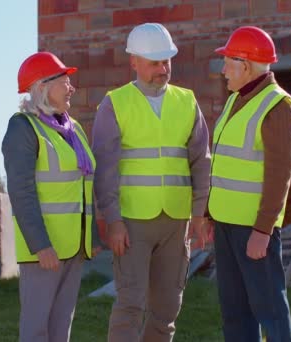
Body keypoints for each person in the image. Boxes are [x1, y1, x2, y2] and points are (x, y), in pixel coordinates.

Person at [92, 22, 211, 342]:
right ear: (134, 62)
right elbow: (105, 170)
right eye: (155, 62)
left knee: (168, 308)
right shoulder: (114, 104)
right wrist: (113, 221)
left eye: (167, 61)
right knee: (130, 303)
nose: (163, 68)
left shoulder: (186, 101)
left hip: (176, 221)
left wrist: (199, 214)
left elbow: (202, 161)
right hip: (132, 224)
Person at [208, 26, 291, 342]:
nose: (223, 70)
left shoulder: (277, 106)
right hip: (226, 224)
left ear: (246, 65)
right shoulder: (237, 99)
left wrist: (262, 231)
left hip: (253, 229)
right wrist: (211, 215)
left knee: (270, 310)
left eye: (228, 62)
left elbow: (280, 176)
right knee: (234, 312)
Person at [2, 51, 98, 342]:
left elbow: (83, 185)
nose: (71, 88)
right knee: (36, 330)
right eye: (64, 81)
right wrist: (40, 245)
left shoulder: (73, 129)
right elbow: (21, 191)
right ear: (42, 86)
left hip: (74, 246)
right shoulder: (23, 128)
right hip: (45, 249)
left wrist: (90, 237)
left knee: (60, 328)